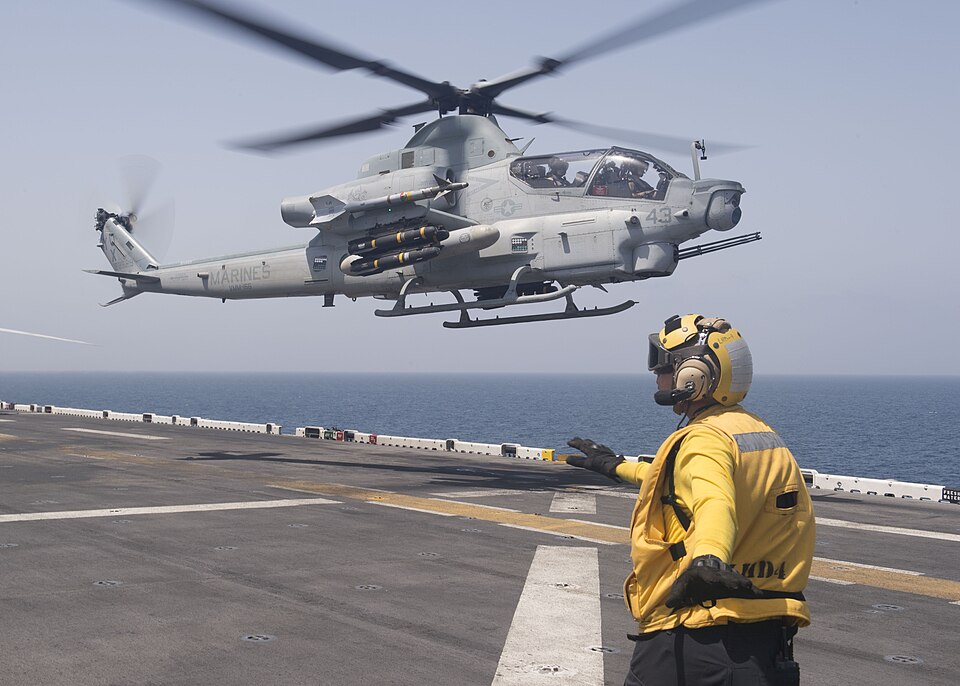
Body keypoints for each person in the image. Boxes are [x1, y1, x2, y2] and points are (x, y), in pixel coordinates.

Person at [567, 313, 814, 686]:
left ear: (691, 375)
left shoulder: (705, 439)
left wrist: (708, 558)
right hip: (767, 647)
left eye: (663, 365)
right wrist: (616, 466)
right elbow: (683, 483)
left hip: (696, 640)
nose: (656, 376)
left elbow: (715, 502)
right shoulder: (758, 433)